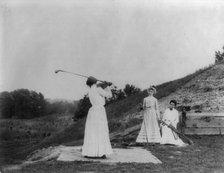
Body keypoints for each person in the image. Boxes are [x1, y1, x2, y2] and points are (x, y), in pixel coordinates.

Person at [82, 76, 114, 158]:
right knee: (100, 131)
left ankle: (90, 152)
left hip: (92, 111)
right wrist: (107, 86)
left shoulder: (90, 90)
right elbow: (109, 95)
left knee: (92, 132)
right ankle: (101, 153)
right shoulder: (98, 89)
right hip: (99, 111)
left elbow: (99, 88)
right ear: (95, 82)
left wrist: (105, 85)